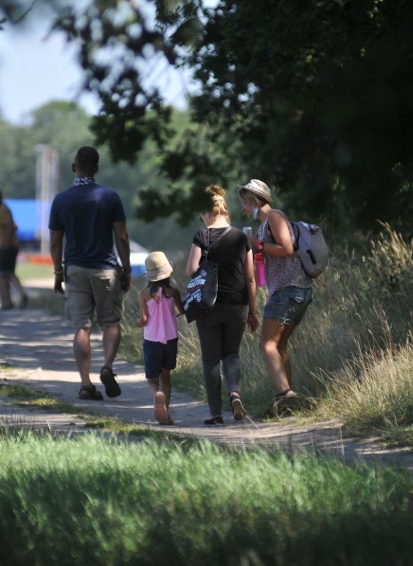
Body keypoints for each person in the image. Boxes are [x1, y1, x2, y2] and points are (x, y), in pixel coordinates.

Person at [49, 146, 132, 401]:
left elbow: (55, 241)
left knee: (81, 327)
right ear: (96, 168)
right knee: (111, 322)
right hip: (106, 269)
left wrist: (58, 272)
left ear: (74, 168)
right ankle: (107, 365)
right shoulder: (109, 197)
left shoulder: (61, 200)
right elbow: (121, 236)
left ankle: (85, 383)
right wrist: (126, 268)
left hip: (75, 269)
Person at [238, 179, 313, 417]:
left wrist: (258, 244)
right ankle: (287, 402)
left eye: (244, 203)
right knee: (279, 345)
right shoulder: (263, 225)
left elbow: (287, 249)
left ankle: (285, 394)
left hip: (290, 288)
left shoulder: (274, 217)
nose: (243, 209)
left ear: (254, 200)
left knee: (267, 344)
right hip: (291, 289)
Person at [186, 184, 259, 424]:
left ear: (208, 213)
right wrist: (253, 310)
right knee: (231, 353)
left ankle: (216, 414)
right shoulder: (241, 237)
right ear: (224, 211)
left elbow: (191, 270)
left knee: (210, 359)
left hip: (209, 305)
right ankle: (235, 394)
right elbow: (250, 277)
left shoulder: (202, 235)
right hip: (238, 304)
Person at [136, 251, 184, 425]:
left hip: (152, 341)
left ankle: (157, 395)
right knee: (166, 378)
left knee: (152, 380)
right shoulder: (173, 292)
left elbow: (144, 319)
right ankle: (167, 415)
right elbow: (183, 310)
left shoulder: (144, 294)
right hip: (170, 339)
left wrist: (138, 323)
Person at [0, 189, 27, 309]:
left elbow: (10, 226)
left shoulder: (3, 210)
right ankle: (7, 301)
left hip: (4, 247)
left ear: (0, 198)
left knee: (3, 274)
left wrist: (6, 243)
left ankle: (13, 297)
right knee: (5, 274)